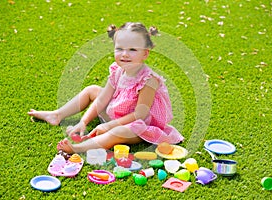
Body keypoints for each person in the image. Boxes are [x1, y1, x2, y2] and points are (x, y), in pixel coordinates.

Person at [28, 22, 184, 154]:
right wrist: (84, 121)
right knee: (92, 90)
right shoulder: (117, 70)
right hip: (118, 112)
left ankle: (78, 148)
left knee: (118, 132)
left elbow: (139, 114)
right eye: (120, 48)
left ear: (145, 54)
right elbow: (102, 99)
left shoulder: (149, 80)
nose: (125, 54)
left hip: (138, 125)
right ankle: (57, 115)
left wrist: (109, 125)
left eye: (133, 50)